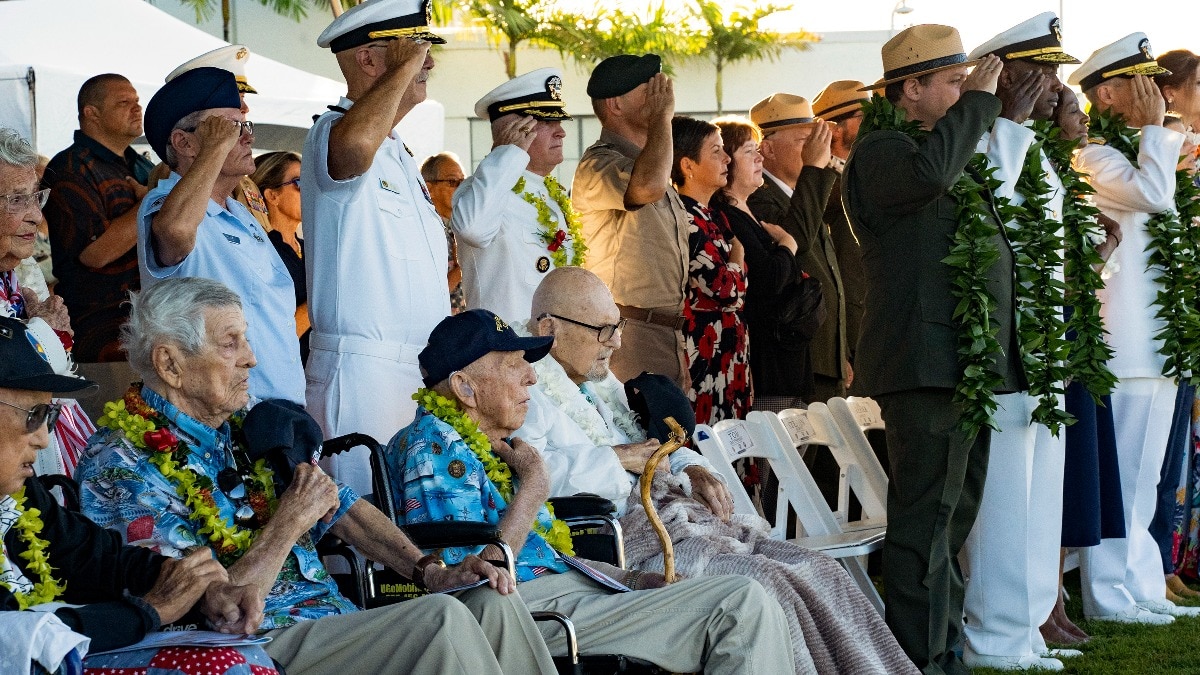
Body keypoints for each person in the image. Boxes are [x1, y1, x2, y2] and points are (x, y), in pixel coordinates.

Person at [75, 277, 560, 674]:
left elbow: (341, 507)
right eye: (231, 343)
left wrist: (431, 572)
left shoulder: (251, 429)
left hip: (331, 621)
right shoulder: (121, 464)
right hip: (256, 642)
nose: (251, 358)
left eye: (246, 339)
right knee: (441, 623)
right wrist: (287, 522)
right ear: (170, 364)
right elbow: (207, 607)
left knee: (485, 597)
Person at [516, 266, 920, 674]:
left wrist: (694, 469)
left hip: (684, 517)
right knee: (765, 582)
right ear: (549, 327)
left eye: (616, 326)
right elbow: (530, 474)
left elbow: (659, 445)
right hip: (627, 539)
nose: (617, 342)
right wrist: (617, 459)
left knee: (822, 570)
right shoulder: (523, 388)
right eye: (603, 330)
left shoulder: (599, 381)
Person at [387, 307, 796, 673]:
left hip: (568, 594)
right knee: (741, 605)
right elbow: (473, 577)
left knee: (751, 598)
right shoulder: (433, 444)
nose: (532, 375)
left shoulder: (498, 448)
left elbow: (548, 555)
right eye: (514, 365)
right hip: (525, 611)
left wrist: (632, 578)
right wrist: (535, 485)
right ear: (464, 387)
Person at [842, 25, 1022, 674]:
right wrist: (978, 103)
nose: (966, 90)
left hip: (959, 368)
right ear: (910, 88)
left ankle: (942, 657)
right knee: (923, 529)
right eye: (952, 80)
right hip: (924, 368)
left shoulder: (934, 147)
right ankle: (916, 662)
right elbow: (928, 176)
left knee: (950, 523)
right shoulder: (883, 150)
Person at [0, 314, 273, 674]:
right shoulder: (120, 454)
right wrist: (151, 609)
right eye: (34, 415)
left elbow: (97, 558)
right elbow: (14, 634)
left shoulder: (22, 494)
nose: (44, 438)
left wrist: (200, 592)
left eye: (49, 416)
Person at [1068, 33, 1200, 624]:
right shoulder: (1095, 155)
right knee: (1120, 479)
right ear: (1106, 93)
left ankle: (1142, 583)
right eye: (1137, 82)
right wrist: (1158, 131)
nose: (1152, 93)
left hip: (1159, 339)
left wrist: (1160, 137)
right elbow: (1152, 194)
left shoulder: (1148, 148)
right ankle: (1107, 595)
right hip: (1122, 339)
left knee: (1146, 476)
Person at [959, 14, 1078, 671]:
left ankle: (1025, 625)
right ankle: (994, 637)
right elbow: (994, 214)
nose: (1055, 86)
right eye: (1043, 73)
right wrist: (1005, 120)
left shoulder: (1028, 145)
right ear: (1007, 76)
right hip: (999, 355)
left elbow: (1060, 237)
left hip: (1041, 352)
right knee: (1003, 504)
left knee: (1036, 502)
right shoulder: (981, 141)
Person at [303, 0, 451, 496]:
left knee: (416, 534)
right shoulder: (332, 132)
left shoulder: (398, 152)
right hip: (364, 376)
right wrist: (403, 67)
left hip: (416, 372)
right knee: (369, 530)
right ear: (369, 61)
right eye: (414, 51)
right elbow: (351, 151)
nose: (427, 62)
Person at [137, 66, 303, 405]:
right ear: (183, 142)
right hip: (219, 414)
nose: (247, 137)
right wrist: (213, 149)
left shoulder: (241, 213)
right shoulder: (165, 204)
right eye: (229, 129)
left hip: (279, 411)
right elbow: (176, 230)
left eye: (245, 126)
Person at [1042, 85, 1125, 647]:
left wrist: (1098, 254)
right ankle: (1044, 605)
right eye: (1075, 113)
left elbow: (1073, 277)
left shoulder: (1069, 182)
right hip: (1057, 338)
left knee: (1078, 476)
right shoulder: (1040, 178)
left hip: (1079, 334)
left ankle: (1056, 601)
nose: (1084, 123)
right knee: (1059, 476)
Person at [573, 53, 692, 390]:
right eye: (649, 89)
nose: (662, 94)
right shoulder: (598, 163)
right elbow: (648, 186)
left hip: (665, 334)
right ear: (616, 105)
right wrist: (663, 119)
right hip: (628, 334)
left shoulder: (649, 162)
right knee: (640, 437)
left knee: (670, 439)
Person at [41, 74, 152, 395]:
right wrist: (147, 202)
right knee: (115, 436)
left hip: (150, 328)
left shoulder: (140, 166)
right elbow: (95, 254)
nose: (136, 109)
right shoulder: (70, 169)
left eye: (136, 102)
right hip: (102, 337)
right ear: (91, 113)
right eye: (123, 103)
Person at [453, 67, 584, 321]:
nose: (561, 131)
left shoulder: (550, 194)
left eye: (558, 121)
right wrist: (508, 153)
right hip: (508, 351)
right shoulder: (477, 192)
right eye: (547, 122)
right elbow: (473, 228)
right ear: (516, 130)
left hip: (553, 351)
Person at [748, 93, 848, 404]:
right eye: (804, 140)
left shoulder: (801, 193)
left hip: (824, 359)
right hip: (797, 357)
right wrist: (815, 168)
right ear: (768, 148)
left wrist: (839, 353)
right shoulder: (757, 196)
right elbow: (797, 241)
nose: (815, 149)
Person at [710, 116, 806, 407]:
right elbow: (767, 280)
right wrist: (788, 246)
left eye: (758, 150)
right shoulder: (727, 215)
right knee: (775, 449)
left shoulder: (748, 210)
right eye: (749, 151)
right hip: (764, 359)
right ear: (727, 161)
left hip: (786, 357)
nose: (759, 157)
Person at [1150, 49, 1200, 603]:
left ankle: (1169, 561)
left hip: (1185, 316)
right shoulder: (1166, 150)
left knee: (1177, 453)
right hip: (1170, 319)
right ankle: (1161, 561)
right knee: (1169, 452)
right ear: (1173, 90)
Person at [670, 116, 750, 424]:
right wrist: (738, 257)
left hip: (729, 355)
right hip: (706, 357)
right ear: (688, 165)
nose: (727, 158)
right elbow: (725, 290)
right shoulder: (686, 217)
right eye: (716, 150)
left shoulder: (713, 215)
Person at [165, 44, 273, 234]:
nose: (245, 106)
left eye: (242, 96)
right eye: (232, 98)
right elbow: (174, 230)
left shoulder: (243, 186)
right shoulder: (173, 177)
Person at [812, 81, 870, 361]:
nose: (872, 122)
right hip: (846, 320)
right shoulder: (822, 180)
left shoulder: (864, 170)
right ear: (835, 128)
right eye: (862, 117)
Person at [249, 151, 310, 344]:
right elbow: (273, 337)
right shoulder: (263, 251)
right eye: (299, 183)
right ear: (272, 195)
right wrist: (317, 304)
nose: (310, 190)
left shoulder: (308, 250)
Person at [420, 152, 467, 313]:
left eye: (463, 181)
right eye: (453, 182)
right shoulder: (423, 230)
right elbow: (431, 294)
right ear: (428, 188)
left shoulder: (459, 226)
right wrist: (461, 266)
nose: (461, 188)